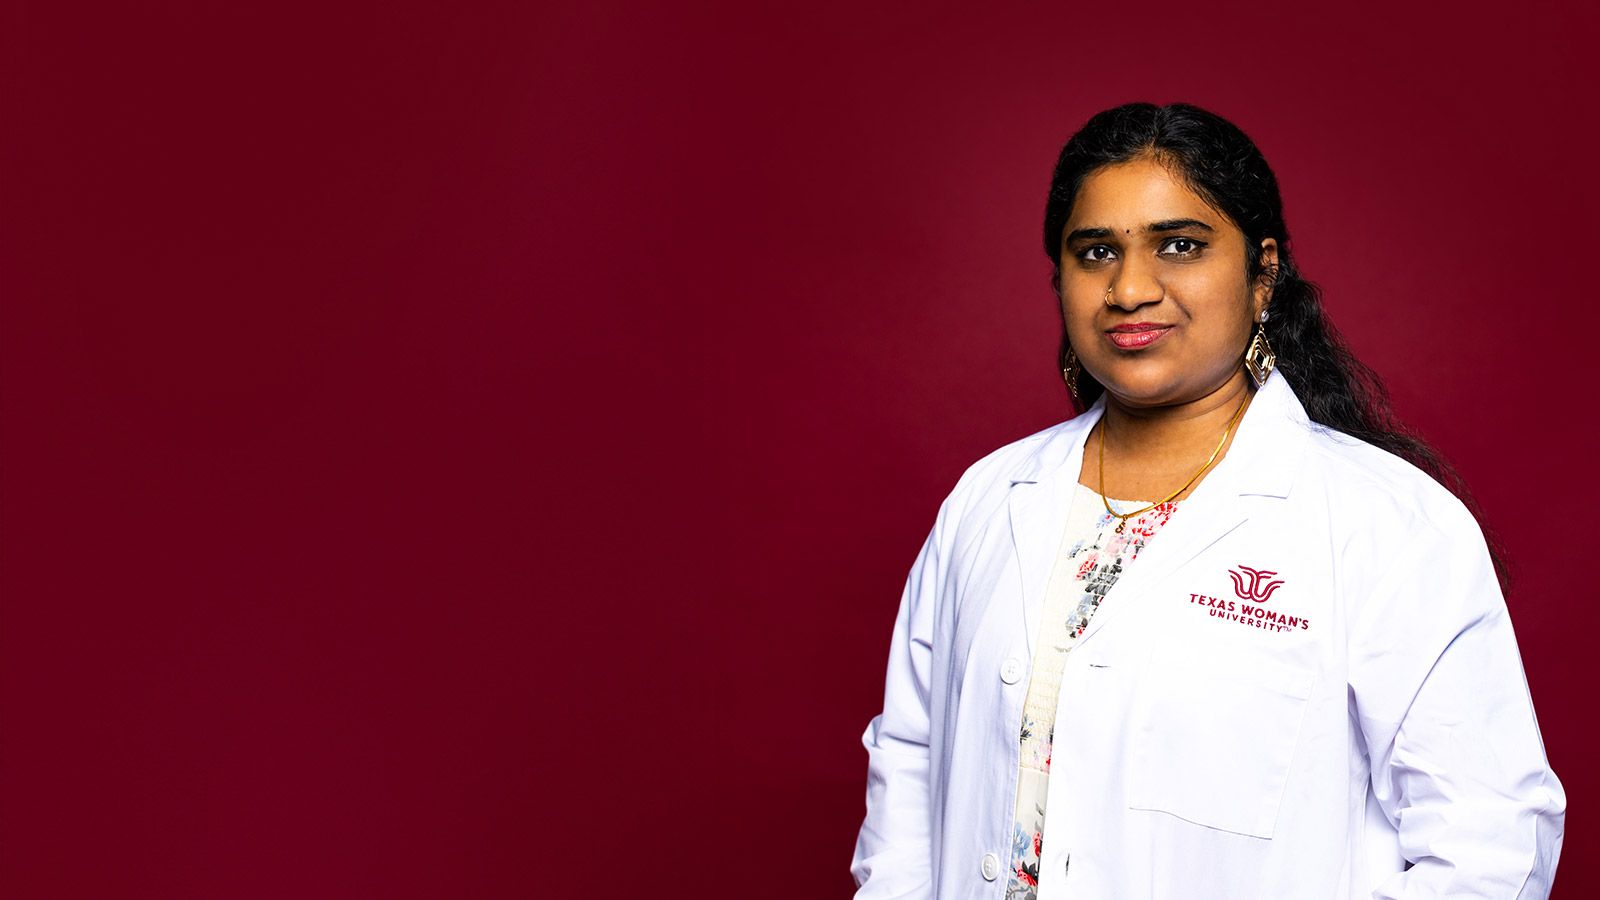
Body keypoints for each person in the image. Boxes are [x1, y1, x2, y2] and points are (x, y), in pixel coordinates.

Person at [849, 102, 1565, 900]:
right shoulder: (988, 500)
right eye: (1096, 253)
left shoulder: (1390, 525)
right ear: (1060, 277)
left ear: (1263, 274)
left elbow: (1490, 841)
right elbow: (912, 766)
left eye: (1178, 246)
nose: (1129, 288)